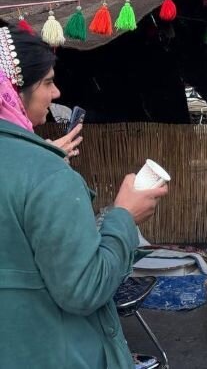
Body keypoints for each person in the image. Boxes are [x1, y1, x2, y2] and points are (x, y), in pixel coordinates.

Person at [0, 24, 168, 368]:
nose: (57, 92)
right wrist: (124, 216)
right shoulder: (48, 175)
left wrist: (39, 155)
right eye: (47, 82)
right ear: (12, 89)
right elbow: (84, 290)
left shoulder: (33, 165)